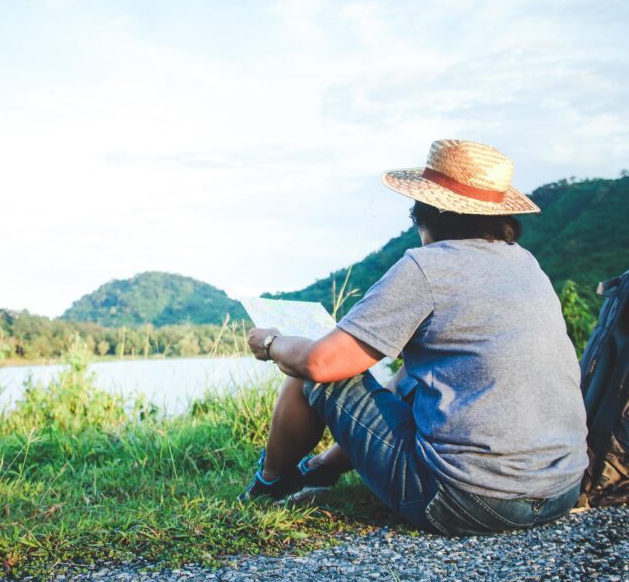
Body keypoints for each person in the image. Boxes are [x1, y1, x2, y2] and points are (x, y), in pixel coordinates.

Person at [241, 139, 588, 536]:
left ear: (425, 212)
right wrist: (327, 464)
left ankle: (270, 483)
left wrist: (271, 343)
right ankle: (319, 470)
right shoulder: (526, 263)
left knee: (309, 372)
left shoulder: (428, 265)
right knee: (412, 375)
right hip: (561, 490)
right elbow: (409, 383)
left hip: (469, 502)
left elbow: (321, 364)